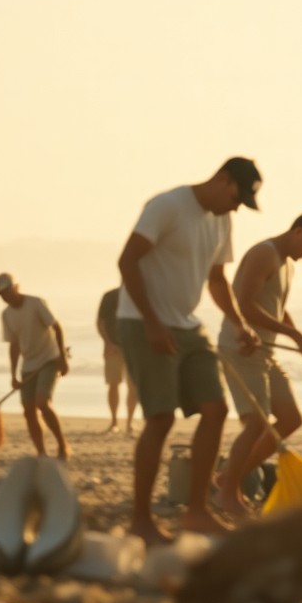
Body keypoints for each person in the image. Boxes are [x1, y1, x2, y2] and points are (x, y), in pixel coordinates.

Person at [117, 156, 261, 545]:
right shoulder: (167, 206)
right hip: (142, 321)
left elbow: (217, 278)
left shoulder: (222, 220)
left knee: (216, 410)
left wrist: (238, 322)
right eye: (237, 197)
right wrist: (150, 321)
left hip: (186, 324)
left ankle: (197, 512)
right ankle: (141, 520)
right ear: (223, 179)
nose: (236, 207)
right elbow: (126, 260)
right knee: (161, 419)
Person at [214, 211, 302, 520]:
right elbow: (245, 306)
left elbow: (276, 309)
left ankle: (228, 478)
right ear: (298, 232)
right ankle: (228, 494)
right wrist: (295, 335)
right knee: (256, 422)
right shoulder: (264, 253)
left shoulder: (288, 264)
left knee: (291, 418)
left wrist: (299, 341)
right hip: (240, 348)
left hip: (266, 352)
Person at [0, 273, 72, 459]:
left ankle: (63, 446)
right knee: (28, 410)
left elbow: (56, 327)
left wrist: (62, 358)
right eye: (2, 294)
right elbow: (14, 346)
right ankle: (42, 453)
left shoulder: (35, 303)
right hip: (29, 364)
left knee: (42, 403)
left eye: (7, 291)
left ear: (16, 287)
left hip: (49, 359)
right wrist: (13, 375)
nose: (6, 297)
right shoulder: (6, 315)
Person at [96, 287, 138, 435]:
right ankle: (114, 421)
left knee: (133, 384)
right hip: (113, 345)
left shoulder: (140, 293)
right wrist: (107, 342)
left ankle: (130, 422)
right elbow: (100, 322)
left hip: (135, 346)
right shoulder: (110, 296)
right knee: (114, 383)